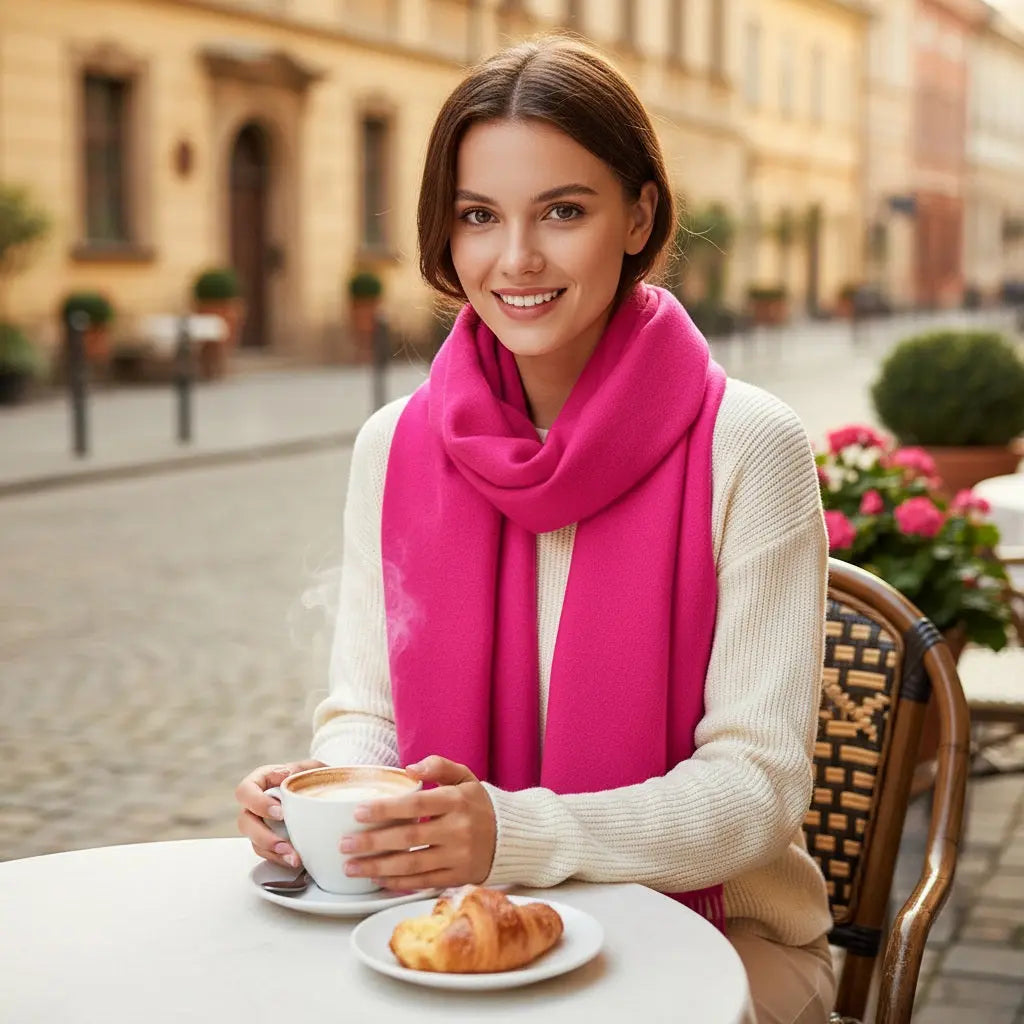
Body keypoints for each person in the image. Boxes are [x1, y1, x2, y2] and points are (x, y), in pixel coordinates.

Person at [235, 36, 835, 1023]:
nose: (514, 258)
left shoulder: (748, 446)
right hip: (449, 933)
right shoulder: (395, 446)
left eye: (562, 210)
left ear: (639, 214)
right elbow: (366, 711)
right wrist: (326, 795)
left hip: (718, 942)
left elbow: (754, 791)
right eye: (479, 216)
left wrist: (504, 834)